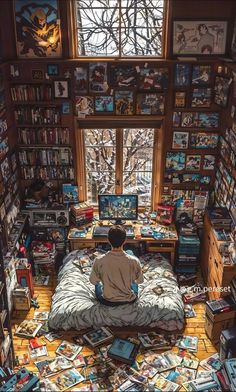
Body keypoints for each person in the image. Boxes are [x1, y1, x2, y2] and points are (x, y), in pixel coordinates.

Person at [89, 226, 144, 306]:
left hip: (107, 300)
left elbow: (93, 281)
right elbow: (140, 281)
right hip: (129, 299)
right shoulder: (134, 261)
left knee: (97, 284)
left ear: (108, 240)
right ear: (125, 240)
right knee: (129, 253)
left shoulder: (98, 260)